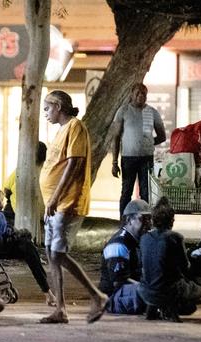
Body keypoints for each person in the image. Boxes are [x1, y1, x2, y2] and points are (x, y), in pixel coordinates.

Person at [39, 90, 108, 324]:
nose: (45, 114)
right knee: (52, 255)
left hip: (66, 202)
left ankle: (97, 296)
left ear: (58, 106)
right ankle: (60, 309)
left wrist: (55, 197)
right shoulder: (61, 131)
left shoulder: (75, 126)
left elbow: (74, 164)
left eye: (47, 108)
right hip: (54, 205)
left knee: (58, 254)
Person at [0, 185, 57, 306]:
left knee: (27, 246)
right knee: (0, 239)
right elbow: (1, 231)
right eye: (2, 200)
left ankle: (47, 291)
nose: (4, 202)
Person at [138, 197, 201, 322]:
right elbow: (185, 267)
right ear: (172, 220)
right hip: (169, 290)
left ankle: (154, 309)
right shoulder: (176, 237)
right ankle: (171, 308)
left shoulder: (144, 238)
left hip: (145, 290)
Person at [112, 83, 166, 217]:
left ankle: (145, 220)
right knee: (126, 191)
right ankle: (123, 222)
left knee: (146, 193)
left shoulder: (152, 112)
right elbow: (116, 137)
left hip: (146, 158)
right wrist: (114, 162)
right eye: (138, 93)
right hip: (128, 158)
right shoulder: (123, 111)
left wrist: (149, 143)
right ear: (131, 94)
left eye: (144, 93)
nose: (141, 96)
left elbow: (162, 136)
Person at [98, 199, 152, 315]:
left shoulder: (139, 240)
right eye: (143, 219)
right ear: (129, 220)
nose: (149, 224)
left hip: (132, 290)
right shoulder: (118, 244)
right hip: (113, 296)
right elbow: (119, 282)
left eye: (149, 219)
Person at [2, 141, 48, 227]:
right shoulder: (48, 171)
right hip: (41, 216)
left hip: (16, 212)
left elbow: (6, 189)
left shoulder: (21, 168)